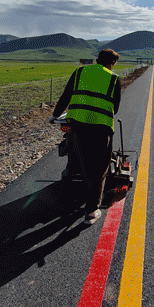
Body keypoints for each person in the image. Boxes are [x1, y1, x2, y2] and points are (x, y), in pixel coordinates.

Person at [48, 49, 121, 224]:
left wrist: (55, 115)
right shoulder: (114, 78)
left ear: (97, 60)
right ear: (112, 63)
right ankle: (91, 211)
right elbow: (115, 108)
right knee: (99, 168)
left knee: (78, 154)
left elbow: (66, 96)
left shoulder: (80, 71)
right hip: (101, 128)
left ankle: (74, 177)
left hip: (77, 125)